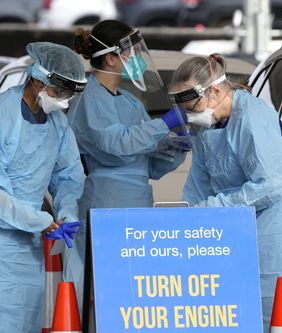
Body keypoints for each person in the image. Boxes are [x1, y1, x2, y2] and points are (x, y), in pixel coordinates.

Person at [168, 54, 282, 333]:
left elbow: (269, 184)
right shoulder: (208, 129)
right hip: (238, 225)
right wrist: (189, 220)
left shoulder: (254, 117)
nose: (190, 114)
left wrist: (215, 207)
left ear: (216, 91)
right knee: (242, 309)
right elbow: (199, 187)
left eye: (192, 105)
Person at [0, 42, 87, 332]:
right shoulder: (2, 114)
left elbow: (68, 174)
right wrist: (39, 220)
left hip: (26, 241)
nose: (63, 100)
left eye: (68, 95)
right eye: (59, 92)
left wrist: (66, 212)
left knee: (24, 316)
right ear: (38, 81)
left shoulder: (56, 122)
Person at [65, 20, 187, 311]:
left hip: (139, 204)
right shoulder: (88, 98)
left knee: (134, 291)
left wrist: (179, 145)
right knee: (104, 291)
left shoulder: (131, 102)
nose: (137, 59)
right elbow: (117, 146)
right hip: (105, 203)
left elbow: (151, 163)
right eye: (131, 52)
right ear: (110, 57)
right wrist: (166, 122)